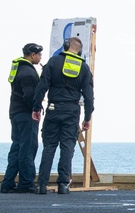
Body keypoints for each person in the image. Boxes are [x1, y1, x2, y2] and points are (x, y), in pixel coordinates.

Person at [32, 36, 94, 195]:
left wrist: (36, 108)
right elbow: (88, 96)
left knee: (49, 147)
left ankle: (41, 185)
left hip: (53, 109)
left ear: (66, 46)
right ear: (79, 50)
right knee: (67, 147)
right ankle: (63, 185)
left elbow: (41, 87)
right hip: (72, 112)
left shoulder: (53, 62)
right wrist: (87, 118)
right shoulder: (84, 67)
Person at [1, 43, 43, 193]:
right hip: (26, 114)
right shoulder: (29, 73)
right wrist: (36, 108)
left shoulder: (18, 67)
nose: (40, 58)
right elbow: (30, 95)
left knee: (17, 146)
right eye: (39, 55)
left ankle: (7, 183)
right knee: (28, 147)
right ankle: (26, 183)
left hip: (15, 112)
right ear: (32, 55)